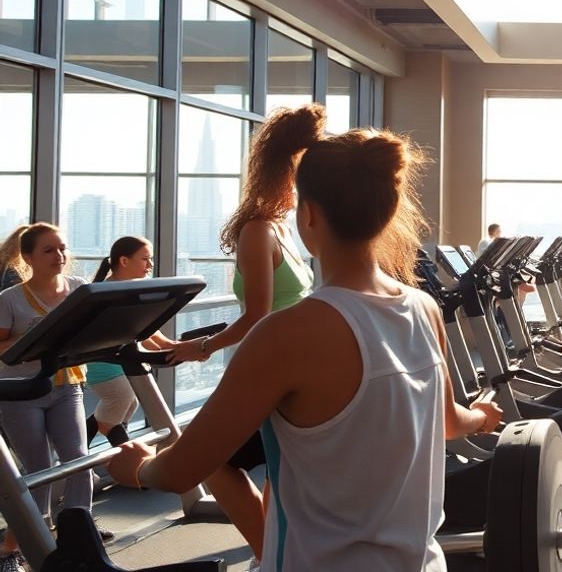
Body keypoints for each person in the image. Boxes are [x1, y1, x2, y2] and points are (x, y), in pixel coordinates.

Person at [109, 127, 503, 571]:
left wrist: (138, 468)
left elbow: (182, 470)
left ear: (309, 214)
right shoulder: (424, 308)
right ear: (389, 210)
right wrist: (482, 416)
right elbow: (450, 421)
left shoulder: (286, 334)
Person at [170, 103, 324, 563]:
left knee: (260, 469)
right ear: (289, 169)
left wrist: (201, 346)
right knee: (223, 462)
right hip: (270, 370)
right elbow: (258, 314)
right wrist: (202, 347)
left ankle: (271, 557)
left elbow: (273, 310)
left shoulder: (282, 228)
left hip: (290, 370)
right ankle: (269, 554)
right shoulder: (260, 230)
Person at [0, 223, 107, 572]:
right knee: (38, 470)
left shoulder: (78, 290)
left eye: (62, 248)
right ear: (28, 257)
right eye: (48, 250)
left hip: (67, 386)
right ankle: (15, 548)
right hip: (22, 391)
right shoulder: (10, 299)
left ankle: (80, 535)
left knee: (79, 460)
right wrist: (36, 339)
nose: (59, 255)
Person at [86, 237, 185, 448]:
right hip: (106, 363)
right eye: (145, 259)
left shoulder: (129, 288)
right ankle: (131, 458)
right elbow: (138, 333)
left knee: (128, 404)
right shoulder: (109, 292)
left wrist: (172, 346)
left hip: (123, 360)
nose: (150, 265)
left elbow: (147, 328)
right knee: (119, 404)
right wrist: (170, 349)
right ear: (124, 261)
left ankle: (84, 452)